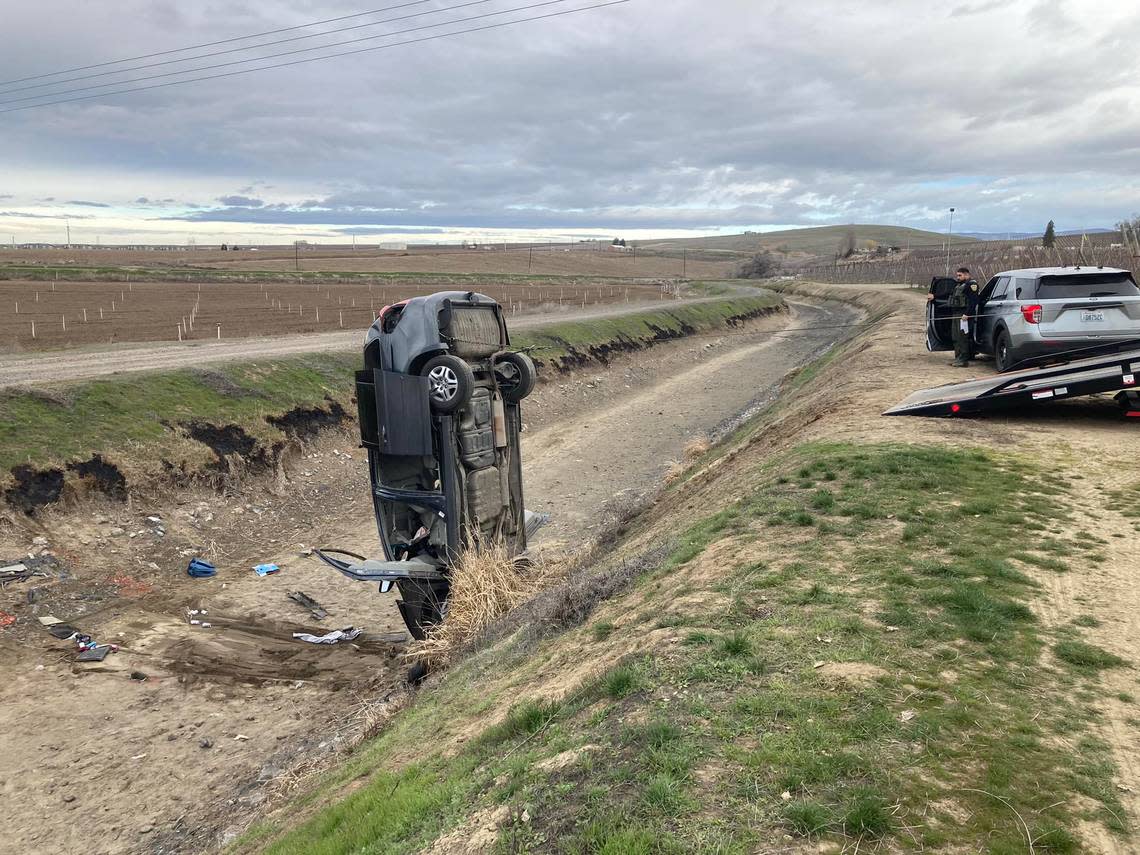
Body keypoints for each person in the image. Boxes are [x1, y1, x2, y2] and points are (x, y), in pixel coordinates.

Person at [948, 266, 980, 367]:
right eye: (957, 275)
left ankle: (963, 359)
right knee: (956, 336)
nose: (958, 277)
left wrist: (967, 314)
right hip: (957, 314)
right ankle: (958, 358)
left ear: (966, 275)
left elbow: (973, 301)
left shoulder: (972, 285)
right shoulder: (960, 285)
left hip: (964, 315)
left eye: (960, 275)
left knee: (962, 337)